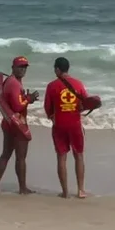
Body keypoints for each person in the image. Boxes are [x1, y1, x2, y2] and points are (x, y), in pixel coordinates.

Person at [0, 56, 38, 195]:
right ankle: (22, 189)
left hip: (8, 122)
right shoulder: (14, 83)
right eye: (20, 67)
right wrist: (29, 99)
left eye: (25, 67)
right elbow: (17, 106)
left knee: (5, 154)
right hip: (17, 125)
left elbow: (13, 102)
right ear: (13, 68)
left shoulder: (10, 81)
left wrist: (26, 99)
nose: (23, 70)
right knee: (21, 157)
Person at [44, 57, 89, 199]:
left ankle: (65, 192)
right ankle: (81, 190)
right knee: (79, 156)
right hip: (75, 124)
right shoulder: (79, 84)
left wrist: (53, 117)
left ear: (57, 69)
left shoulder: (52, 86)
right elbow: (85, 104)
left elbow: (47, 108)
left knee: (61, 157)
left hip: (59, 125)